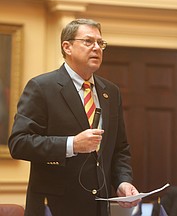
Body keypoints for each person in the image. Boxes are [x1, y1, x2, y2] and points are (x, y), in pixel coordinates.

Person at [8, 18, 140, 216]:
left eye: (100, 43)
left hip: (98, 207)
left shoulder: (110, 92)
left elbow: (119, 148)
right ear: (67, 47)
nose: (97, 48)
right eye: (88, 41)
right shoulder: (42, 87)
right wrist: (72, 145)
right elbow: (19, 143)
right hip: (54, 206)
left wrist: (122, 181)